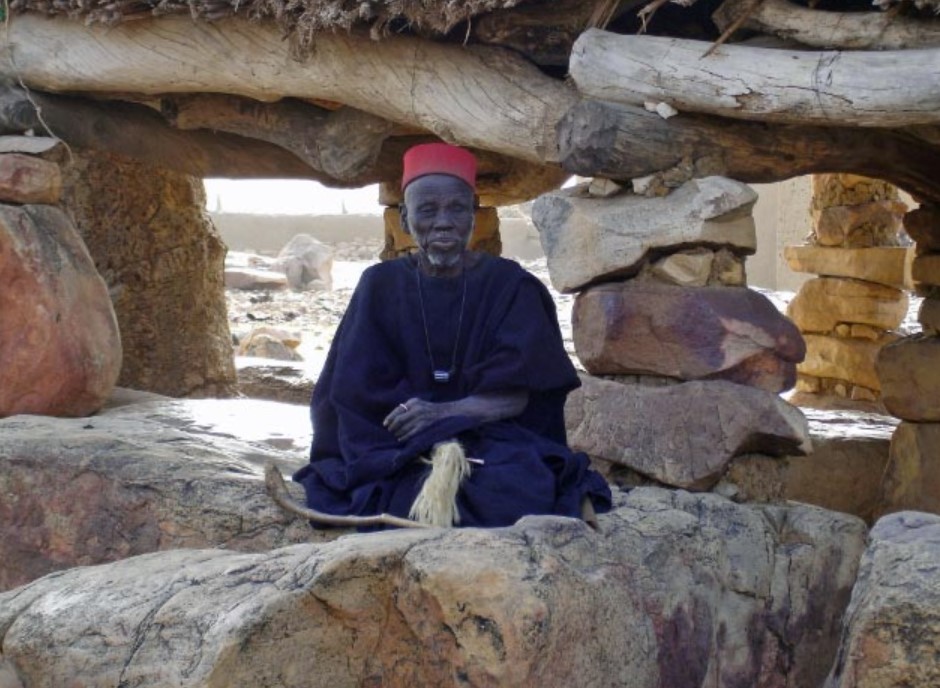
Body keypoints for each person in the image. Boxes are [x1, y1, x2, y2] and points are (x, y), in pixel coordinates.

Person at [292, 142, 611, 529]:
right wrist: (421, 431)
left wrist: (445, 415)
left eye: (457, 208)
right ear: (406, 221)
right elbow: (354, 391)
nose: (443, 221)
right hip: (399, 444)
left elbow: (519, 394)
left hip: (490, 439)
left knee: (517, 486)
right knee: (382, 485)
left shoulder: (512, 286)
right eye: (427, 210)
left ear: (473, 218)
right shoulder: (379, 286)